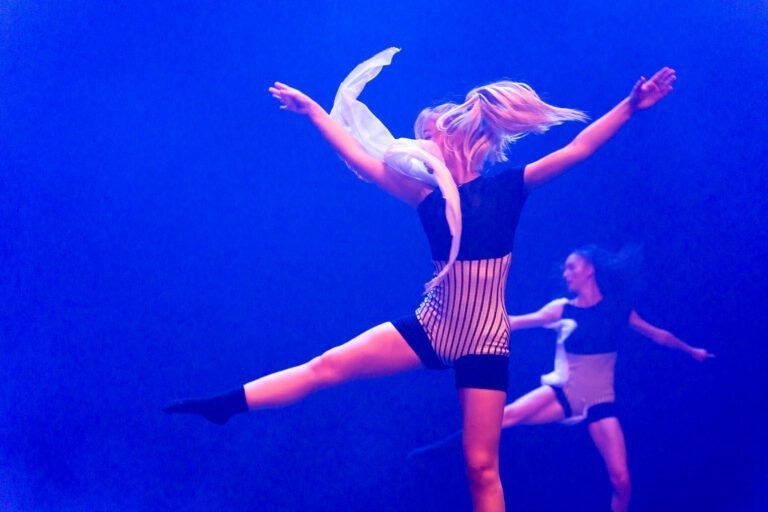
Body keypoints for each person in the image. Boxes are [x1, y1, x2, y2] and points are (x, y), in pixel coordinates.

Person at [163, 48, 676, 512]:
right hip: (433, 325)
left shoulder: (507, 190)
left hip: (484, 339)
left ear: (456, 140)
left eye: (429, 135)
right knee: (328, 365)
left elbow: (579, 148)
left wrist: (629, 107)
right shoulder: (423, 196)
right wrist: (317, 113)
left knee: (480, 467)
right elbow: (360, 158)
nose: (420, 145)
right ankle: (228, 404)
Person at [411, 246, 713, 512]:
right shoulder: (562, 308)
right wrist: (477, 322)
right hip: (565, 392)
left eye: (572, 267)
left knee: (622, 480)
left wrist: (692, 351)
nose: (566, 273)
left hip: (601, 402)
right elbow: (518, 322)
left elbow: (657, 335)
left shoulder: (616, 309)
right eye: (566, 268)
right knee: (505, 417)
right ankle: (438, 451)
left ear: (589, 270)